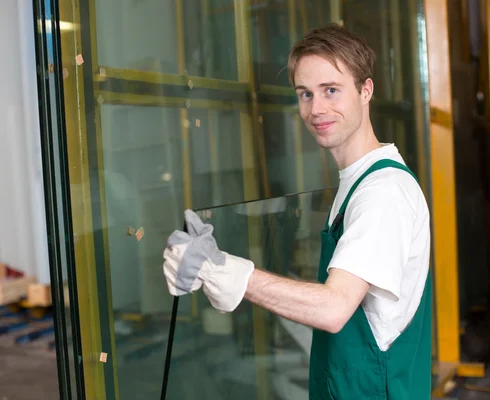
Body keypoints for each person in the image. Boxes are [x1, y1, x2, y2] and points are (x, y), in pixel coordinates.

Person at [163, 23, 432, 399]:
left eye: (331, 91)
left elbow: (335, 308)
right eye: (305, 94)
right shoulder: (356, 182)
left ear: (366, 90)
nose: (316, 109)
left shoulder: (382, 193)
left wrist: (230, 272)